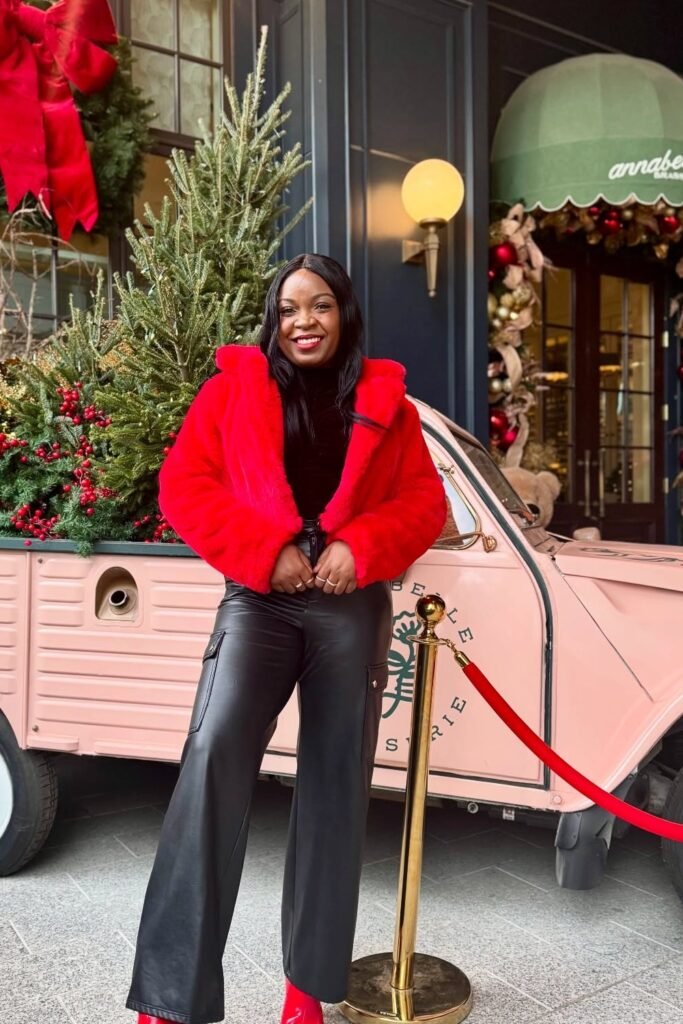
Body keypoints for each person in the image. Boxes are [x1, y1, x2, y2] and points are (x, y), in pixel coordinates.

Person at [125, 253, 447, 1024]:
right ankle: (170, 998)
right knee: (212, 757)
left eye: (321, 306)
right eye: (290, 307)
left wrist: (357, 547)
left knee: (335, 787)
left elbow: (421, 502)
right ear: (273, 318)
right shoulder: (230, 392)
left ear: (345, 316)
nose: (304, 320)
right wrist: (262, 549)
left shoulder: (388, 407)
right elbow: (185, 485)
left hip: (348, 604)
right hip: (258, 599)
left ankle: (306, 990)